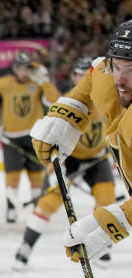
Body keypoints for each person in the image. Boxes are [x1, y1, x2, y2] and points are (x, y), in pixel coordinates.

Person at [30, 22, 132, 263]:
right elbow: (95, 73)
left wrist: (119, 221)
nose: (121, 80)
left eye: (130, 70)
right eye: (116, 67)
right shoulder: (107, 76)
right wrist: (65, 116)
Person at [13, 57, 118, 270]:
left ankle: (100, 245)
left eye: (86, 74)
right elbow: (53, 103)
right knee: (50, 201)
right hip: (67, 158)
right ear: (74, 78)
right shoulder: (72, 98)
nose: (83, 78)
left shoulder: (109, 95)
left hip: (96, 157)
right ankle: (27, 245)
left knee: (106, 198)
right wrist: (43, 81)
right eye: (79, 74)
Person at [0, 50, 59, 223]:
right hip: (11, 138)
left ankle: (38, 208)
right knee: (12, 176)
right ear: (15, 68)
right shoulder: (2, 84)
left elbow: (55, 100)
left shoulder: (37, 84)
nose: (25, 71)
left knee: (37, 176)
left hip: (34, 137)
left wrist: (44, 80)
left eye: (28, 68)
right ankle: (11, 208)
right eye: (22, 68)